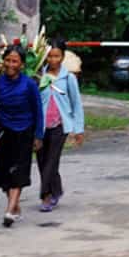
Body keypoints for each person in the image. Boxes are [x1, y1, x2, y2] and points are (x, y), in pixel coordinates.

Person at [0, 44, 44, 227]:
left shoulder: (30, 85)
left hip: (24, 131)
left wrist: (38, 135)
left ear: (22, 65)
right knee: (4, 176)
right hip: (3, 131)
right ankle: (15, 205)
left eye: (15, 61)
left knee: (18, 172)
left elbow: (38, 111)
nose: (10, 64)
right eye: (8, 60)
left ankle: (9, 210)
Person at [36, 39, 84, 212]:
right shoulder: (38, 76)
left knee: (51, 160)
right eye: (49, 56)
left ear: (63, 57)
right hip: (40, 127)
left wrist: (78, 129)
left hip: (60, 125)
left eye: (57, 56)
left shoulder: (68, 78)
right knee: (42, 160)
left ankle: (46, 196)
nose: (53, 60)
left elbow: (76, 104)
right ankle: (57, 190)